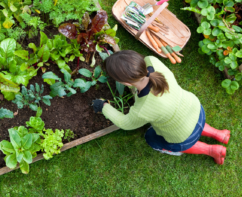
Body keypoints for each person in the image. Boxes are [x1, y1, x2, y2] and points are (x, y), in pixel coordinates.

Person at [92, 50, 230, 164]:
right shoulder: (152, 61)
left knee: (151, 138)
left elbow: (125, 123)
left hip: (182, 134)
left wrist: (103, 106)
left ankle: (212, 150)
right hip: (195, 108)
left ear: (127, 83)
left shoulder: (143, 109)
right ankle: (219, 134)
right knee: (190, 122)